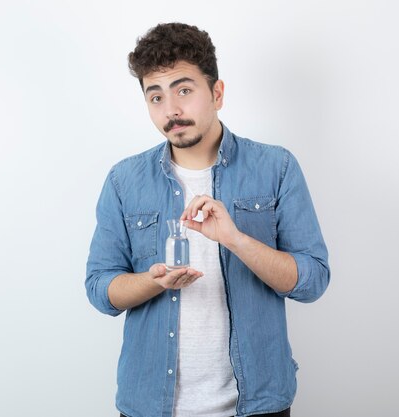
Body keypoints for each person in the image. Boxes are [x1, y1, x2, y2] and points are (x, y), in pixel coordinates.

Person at [85, 22, 330, 417]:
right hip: (149, 405)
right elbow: (100, 289)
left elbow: (312, 281)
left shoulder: (277, 168)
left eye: (184, 90)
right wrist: (153, 281)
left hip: (257, 406)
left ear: (217, 93)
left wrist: (236, 239)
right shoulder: (123, 181)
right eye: (156, 96)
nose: (172, 110)